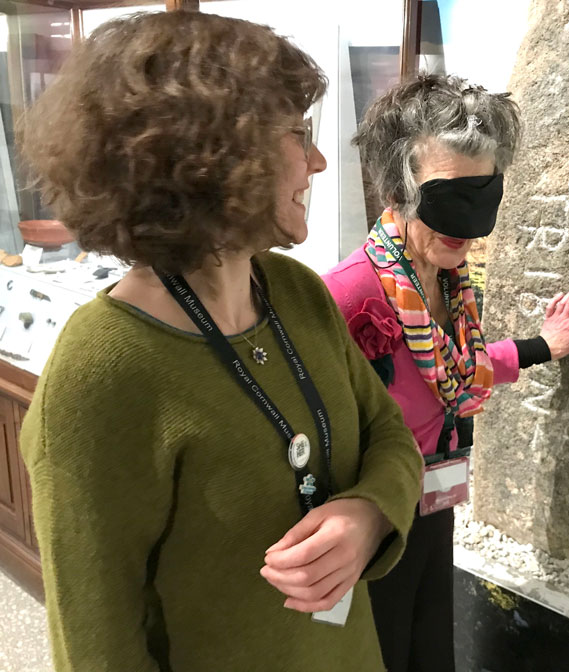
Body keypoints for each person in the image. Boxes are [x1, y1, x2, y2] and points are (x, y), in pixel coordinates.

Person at [18, 11, 422, 672]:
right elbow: (97, 648)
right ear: (210, 153)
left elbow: (389, 436)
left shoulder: (295, 292)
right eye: (298, 134)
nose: (319, 160)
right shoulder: (101, 372)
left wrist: (368, 513)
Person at [322, 74, 569, 672]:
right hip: (375, 516)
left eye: (485, 194)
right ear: (399, 187)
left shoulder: (448, 280)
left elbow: (454, 370)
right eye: (451, 196)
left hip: (436, 496)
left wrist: (540, 347)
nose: (469, 224)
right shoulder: (347, 299)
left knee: (430, 645)